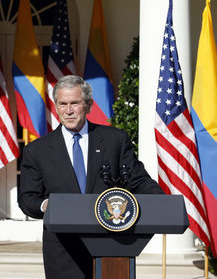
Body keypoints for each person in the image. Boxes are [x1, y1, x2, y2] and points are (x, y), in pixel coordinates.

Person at [18, 75, 163, 279]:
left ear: (89, 105)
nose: (68, 110)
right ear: (56, 107)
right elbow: (27, 199)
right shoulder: (37, 150)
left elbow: (138, 180)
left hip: (112, 245)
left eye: (75, 103)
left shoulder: (115, 140)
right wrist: (46, 206)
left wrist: (163, 203)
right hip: (63, 250)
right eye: (63, 104)